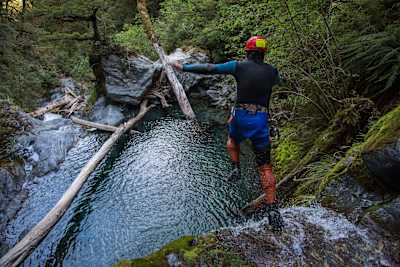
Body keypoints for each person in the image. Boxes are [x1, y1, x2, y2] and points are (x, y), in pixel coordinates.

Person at [171, 36, 284, 230]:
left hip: (241, 116)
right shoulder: (272, 72)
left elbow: (210, 69)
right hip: (261, 120)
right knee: (265, 168)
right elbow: (279, 84)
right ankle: (273, 208)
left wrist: (184, 67)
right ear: (264, 53)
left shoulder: (238, 66)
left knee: (232, 140)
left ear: (247, 52)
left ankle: (236, 167)